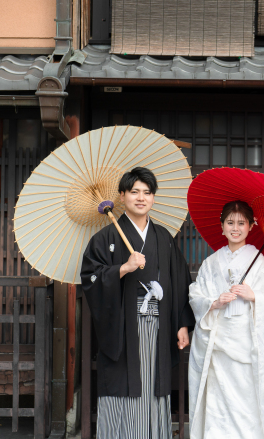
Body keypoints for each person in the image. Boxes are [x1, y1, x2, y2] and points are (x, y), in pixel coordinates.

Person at [81, 167, 195, 439]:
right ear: (122, 196)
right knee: (124, 384)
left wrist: (181, 324)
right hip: (122, 327)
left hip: (158, 326)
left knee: (153, 384)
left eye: (147, 192)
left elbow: (179, 281)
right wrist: (122, 269)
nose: (141, 198)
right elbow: (90, 278)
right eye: (134, 192)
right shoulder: (105, 239)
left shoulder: (164, 238)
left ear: (153, 198)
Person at [188, 201, 264, 439]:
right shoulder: (211, 263)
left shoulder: (261, 264)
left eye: (241, 223)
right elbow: (195, 294)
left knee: (248, 403)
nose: (235, 228)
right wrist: (214, 301)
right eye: (230, 222)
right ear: (221, 227)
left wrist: (255, 296)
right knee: (217, 404)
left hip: (248, 344)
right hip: (217, 345)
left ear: (251, 227)